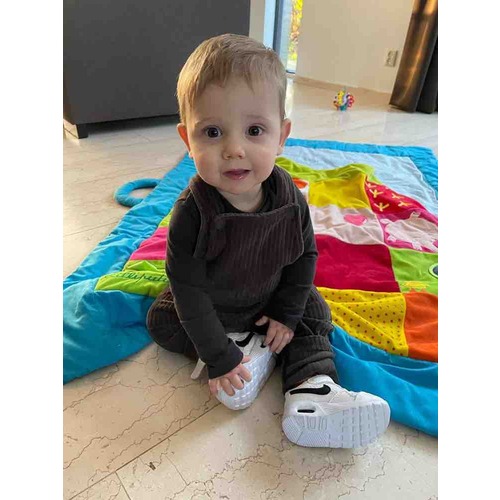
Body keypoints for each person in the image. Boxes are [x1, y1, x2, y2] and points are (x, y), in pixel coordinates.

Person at [146, 33, 390, 448]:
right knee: (162, 319)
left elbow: (303, 256)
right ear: (188, 140)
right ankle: (241, 349)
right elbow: (187, 288)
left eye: (254, 130)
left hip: (271, 296)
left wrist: (286, 313)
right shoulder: (192, 211)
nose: (234, 149)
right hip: (214, 305)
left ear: (281, 136)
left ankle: (312, 390)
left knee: (313, 310)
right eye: (212, 132)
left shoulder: (289, 196)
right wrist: (218, 355)